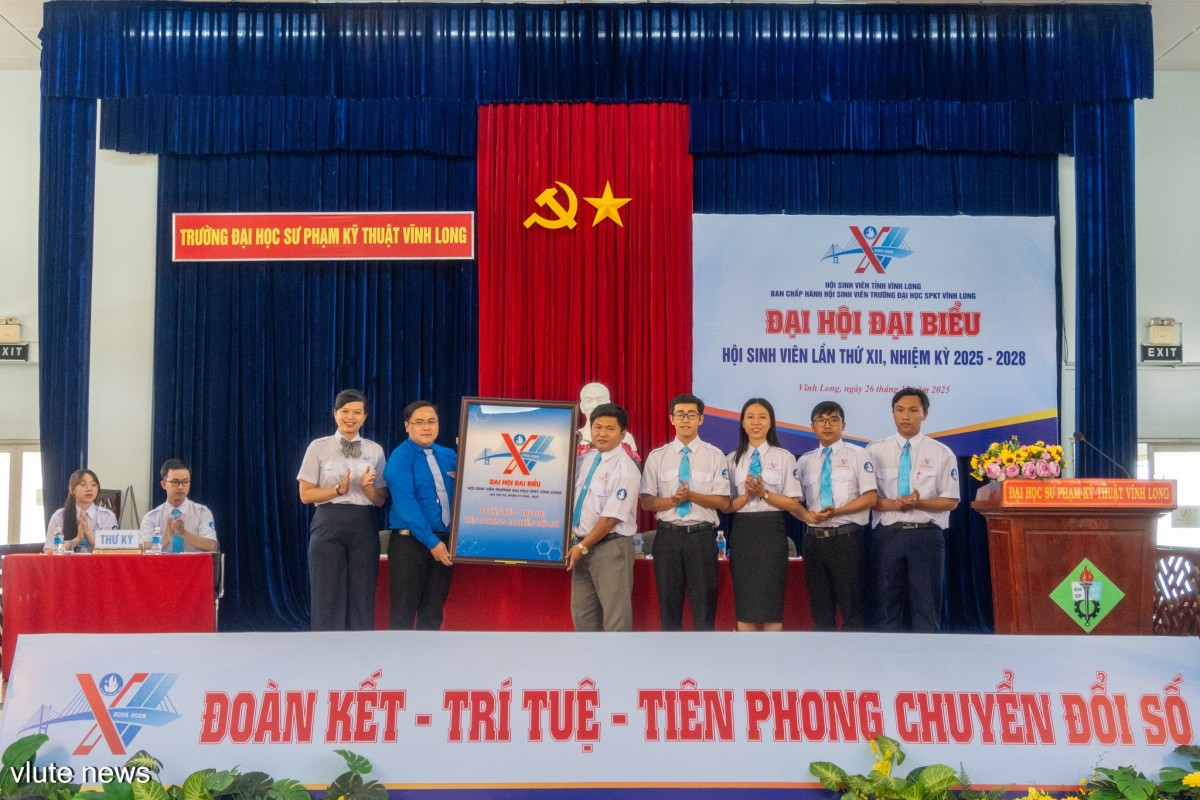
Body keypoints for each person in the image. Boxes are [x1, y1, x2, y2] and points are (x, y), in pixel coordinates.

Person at [864, 387, 960, 632]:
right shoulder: (874, 451)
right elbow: (867, 498)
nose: (905, 416)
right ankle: (887, 656)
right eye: (900, 410)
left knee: (927, 608)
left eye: (913, 410)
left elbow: (951, 500)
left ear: (924, 414)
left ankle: (928, 656)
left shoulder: (942, 453)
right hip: (888, 535)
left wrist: (918, 504)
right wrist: (896, 504)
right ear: (893, 414)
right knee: (885, 609)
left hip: (925, 536)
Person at [297, 389, 388, 631]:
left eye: (357, 412)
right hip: (328, 522)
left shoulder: (375, 450)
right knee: (326, 594)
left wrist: (367, 489)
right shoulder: (318, 447)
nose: (351, 417)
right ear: (335, 414)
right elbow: (305, 495)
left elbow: (380, 499)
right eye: (345, 411)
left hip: (364, 524)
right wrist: (338, 490)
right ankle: (326, 648)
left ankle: (359, 650)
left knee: (362, 594)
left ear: (365, 417)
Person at [639, 393, 730, 631]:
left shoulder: (715, 456)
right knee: (668, 609)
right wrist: (673, 500)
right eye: (680, 414)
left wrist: (691, 496)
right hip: (667, 538)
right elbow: (646, 502)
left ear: (701, 419)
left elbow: (723, 501)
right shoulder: (657, 456)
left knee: (704, 609)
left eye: (691, 414)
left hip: (701, 537)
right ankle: (671, 652)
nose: (685, 419)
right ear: (671, 419)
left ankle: (703, 652)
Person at [795, 401, 877, 631]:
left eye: (833, 420)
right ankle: (824, 653)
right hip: (813, 541)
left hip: (845, 540)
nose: (827, 425)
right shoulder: (805, 461)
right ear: (812, 426)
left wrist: (837, 512)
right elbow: (794, 500)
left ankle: (853, 653)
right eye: (821, 420)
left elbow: (870, 498)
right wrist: (806, 516)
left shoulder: (859, 455)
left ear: (843, 424)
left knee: (852, 609)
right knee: (820, 610)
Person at [724, 398, 803, 632]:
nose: (756, 422)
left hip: (771, 530)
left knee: (772, 599)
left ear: (770, 423)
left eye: (762, 417)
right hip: (743, 530)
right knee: (745, 599)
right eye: (750, 417)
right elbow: (726, 506)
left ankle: (772, 653)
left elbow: (792, 502)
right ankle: (746, 653)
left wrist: (764, 493)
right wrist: (747, 496)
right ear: (742, 423)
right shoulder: (731, 459)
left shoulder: (785, 457)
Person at [566, 403, 641, 631]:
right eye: (597, 427)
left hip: (610, 548)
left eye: (610, 429)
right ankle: (587, 657)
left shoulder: (626, 469)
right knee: (582, 617)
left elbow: (610, 519)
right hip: (582, 547)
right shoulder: (588, 459)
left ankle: (616, 658)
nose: (602, 433)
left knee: (615, 621)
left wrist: (583, 546)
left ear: (623, 434)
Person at [382, 400, 456, 630]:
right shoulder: (400, 458)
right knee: (403, 614)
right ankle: (399, 655)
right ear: (407, 426)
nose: (426, 427)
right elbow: (407, 506)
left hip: (444, 543)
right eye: (420, 422)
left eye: (432, 421)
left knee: (433, 613)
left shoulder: (450, 456)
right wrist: (432, 542)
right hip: (410, 544)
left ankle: (428, 654)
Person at [139, 459, 218, 553]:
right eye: (175, 482)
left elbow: (210, 545)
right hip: (162, 562)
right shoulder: (151, 517)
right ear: (163, 484)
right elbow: (143, 550)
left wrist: (183, 533)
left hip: (193, 562)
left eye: (185, 482)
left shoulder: (202, 513)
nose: (181, 487)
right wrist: (166, 538)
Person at [44, 469, 118, 553]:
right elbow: (48, 552)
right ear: (71, 489)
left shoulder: (107, 517)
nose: (89, 489)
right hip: (68, 562)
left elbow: (113, 552)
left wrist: (88, 534)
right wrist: (76, 540)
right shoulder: (59, 516)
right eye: (83, 484)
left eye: (93, 485)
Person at [576, 382, 638, 460]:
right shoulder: (574, 438)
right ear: (581, 407)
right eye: (589, 401)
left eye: (599, 400)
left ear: (608, 403)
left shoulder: (626, 438)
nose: (594, 405)